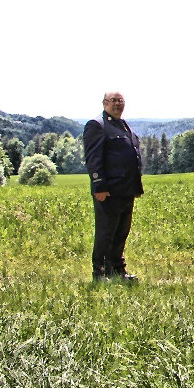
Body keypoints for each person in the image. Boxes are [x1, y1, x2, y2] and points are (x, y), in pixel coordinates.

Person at [83, 91, 143, 282]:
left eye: (120, 101)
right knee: (106, 232)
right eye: (113, 101)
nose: (118, 104)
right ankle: (99, 272)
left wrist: (136, 186)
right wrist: (98, 186)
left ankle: (117, 270)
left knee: (121, 232)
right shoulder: (97, 125)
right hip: (109, 190)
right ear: (104, 103)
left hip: (126, 189)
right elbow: (93, 158)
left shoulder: (123, 125)